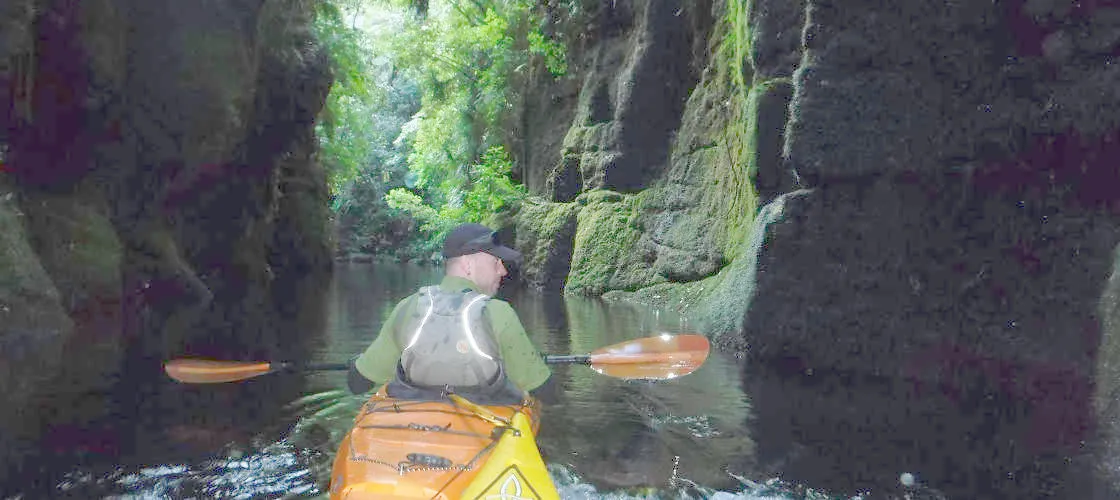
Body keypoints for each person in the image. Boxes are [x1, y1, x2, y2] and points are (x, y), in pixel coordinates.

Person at [347, 223, 555, 404]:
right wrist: (537, 364)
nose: (503, 271)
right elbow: (545, 392)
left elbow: (358, 383)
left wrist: (356, 364)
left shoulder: (408, 307)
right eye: (496, 262)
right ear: (467, 264)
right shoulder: (498, 313)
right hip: (480, 433)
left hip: (415, 428)